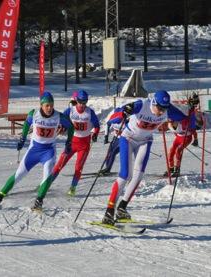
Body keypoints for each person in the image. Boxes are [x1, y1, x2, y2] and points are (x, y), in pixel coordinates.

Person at [101, 90, 187, 225]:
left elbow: (185, 119)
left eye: (164, 109)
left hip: (145, 141)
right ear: (153, 102)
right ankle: (109, 210)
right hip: (127, 138)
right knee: (125, 175)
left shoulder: (168, 110)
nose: (161, 112)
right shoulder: (142, 105)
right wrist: (124, 112)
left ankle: (122, 207)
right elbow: (114, 117)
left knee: (138, 175)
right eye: (159, 108)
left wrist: (192, 112)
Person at [0, 92, 74, 210]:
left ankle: (39, 200)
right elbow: (27, 124)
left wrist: (69, 141)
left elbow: (71, 127)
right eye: (47, 105)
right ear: (41, 105)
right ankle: (0, 196)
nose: (49, 108)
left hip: (48, 151)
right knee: (19, 174)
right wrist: (22, 138)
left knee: (47, 175)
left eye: (51, 105)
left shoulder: (59, 116)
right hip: (34, 150)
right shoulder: (34, 114)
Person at [49, 89, 100, 197]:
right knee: (60, 164)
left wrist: (95, 133)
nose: (82, 105)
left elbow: (97, 125)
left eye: (84, 102)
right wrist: (62, 127)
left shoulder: (90, 112)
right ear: (76, 100)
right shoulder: (70, 111)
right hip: (72, 142)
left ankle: (73, 188)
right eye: (80, 102)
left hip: (84, 144)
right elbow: (62, 121)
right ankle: (48, 183)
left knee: (78, 167)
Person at [164, 93, 199, 177]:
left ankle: (177, 170)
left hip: (187, 137)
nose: (174, 122)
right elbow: (174, 130)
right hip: (179, 137)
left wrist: (196, 139)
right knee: (171, 151)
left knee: (178, 150)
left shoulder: (185, 119)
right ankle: (171, 168)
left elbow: (193, 129)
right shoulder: (171, 121)